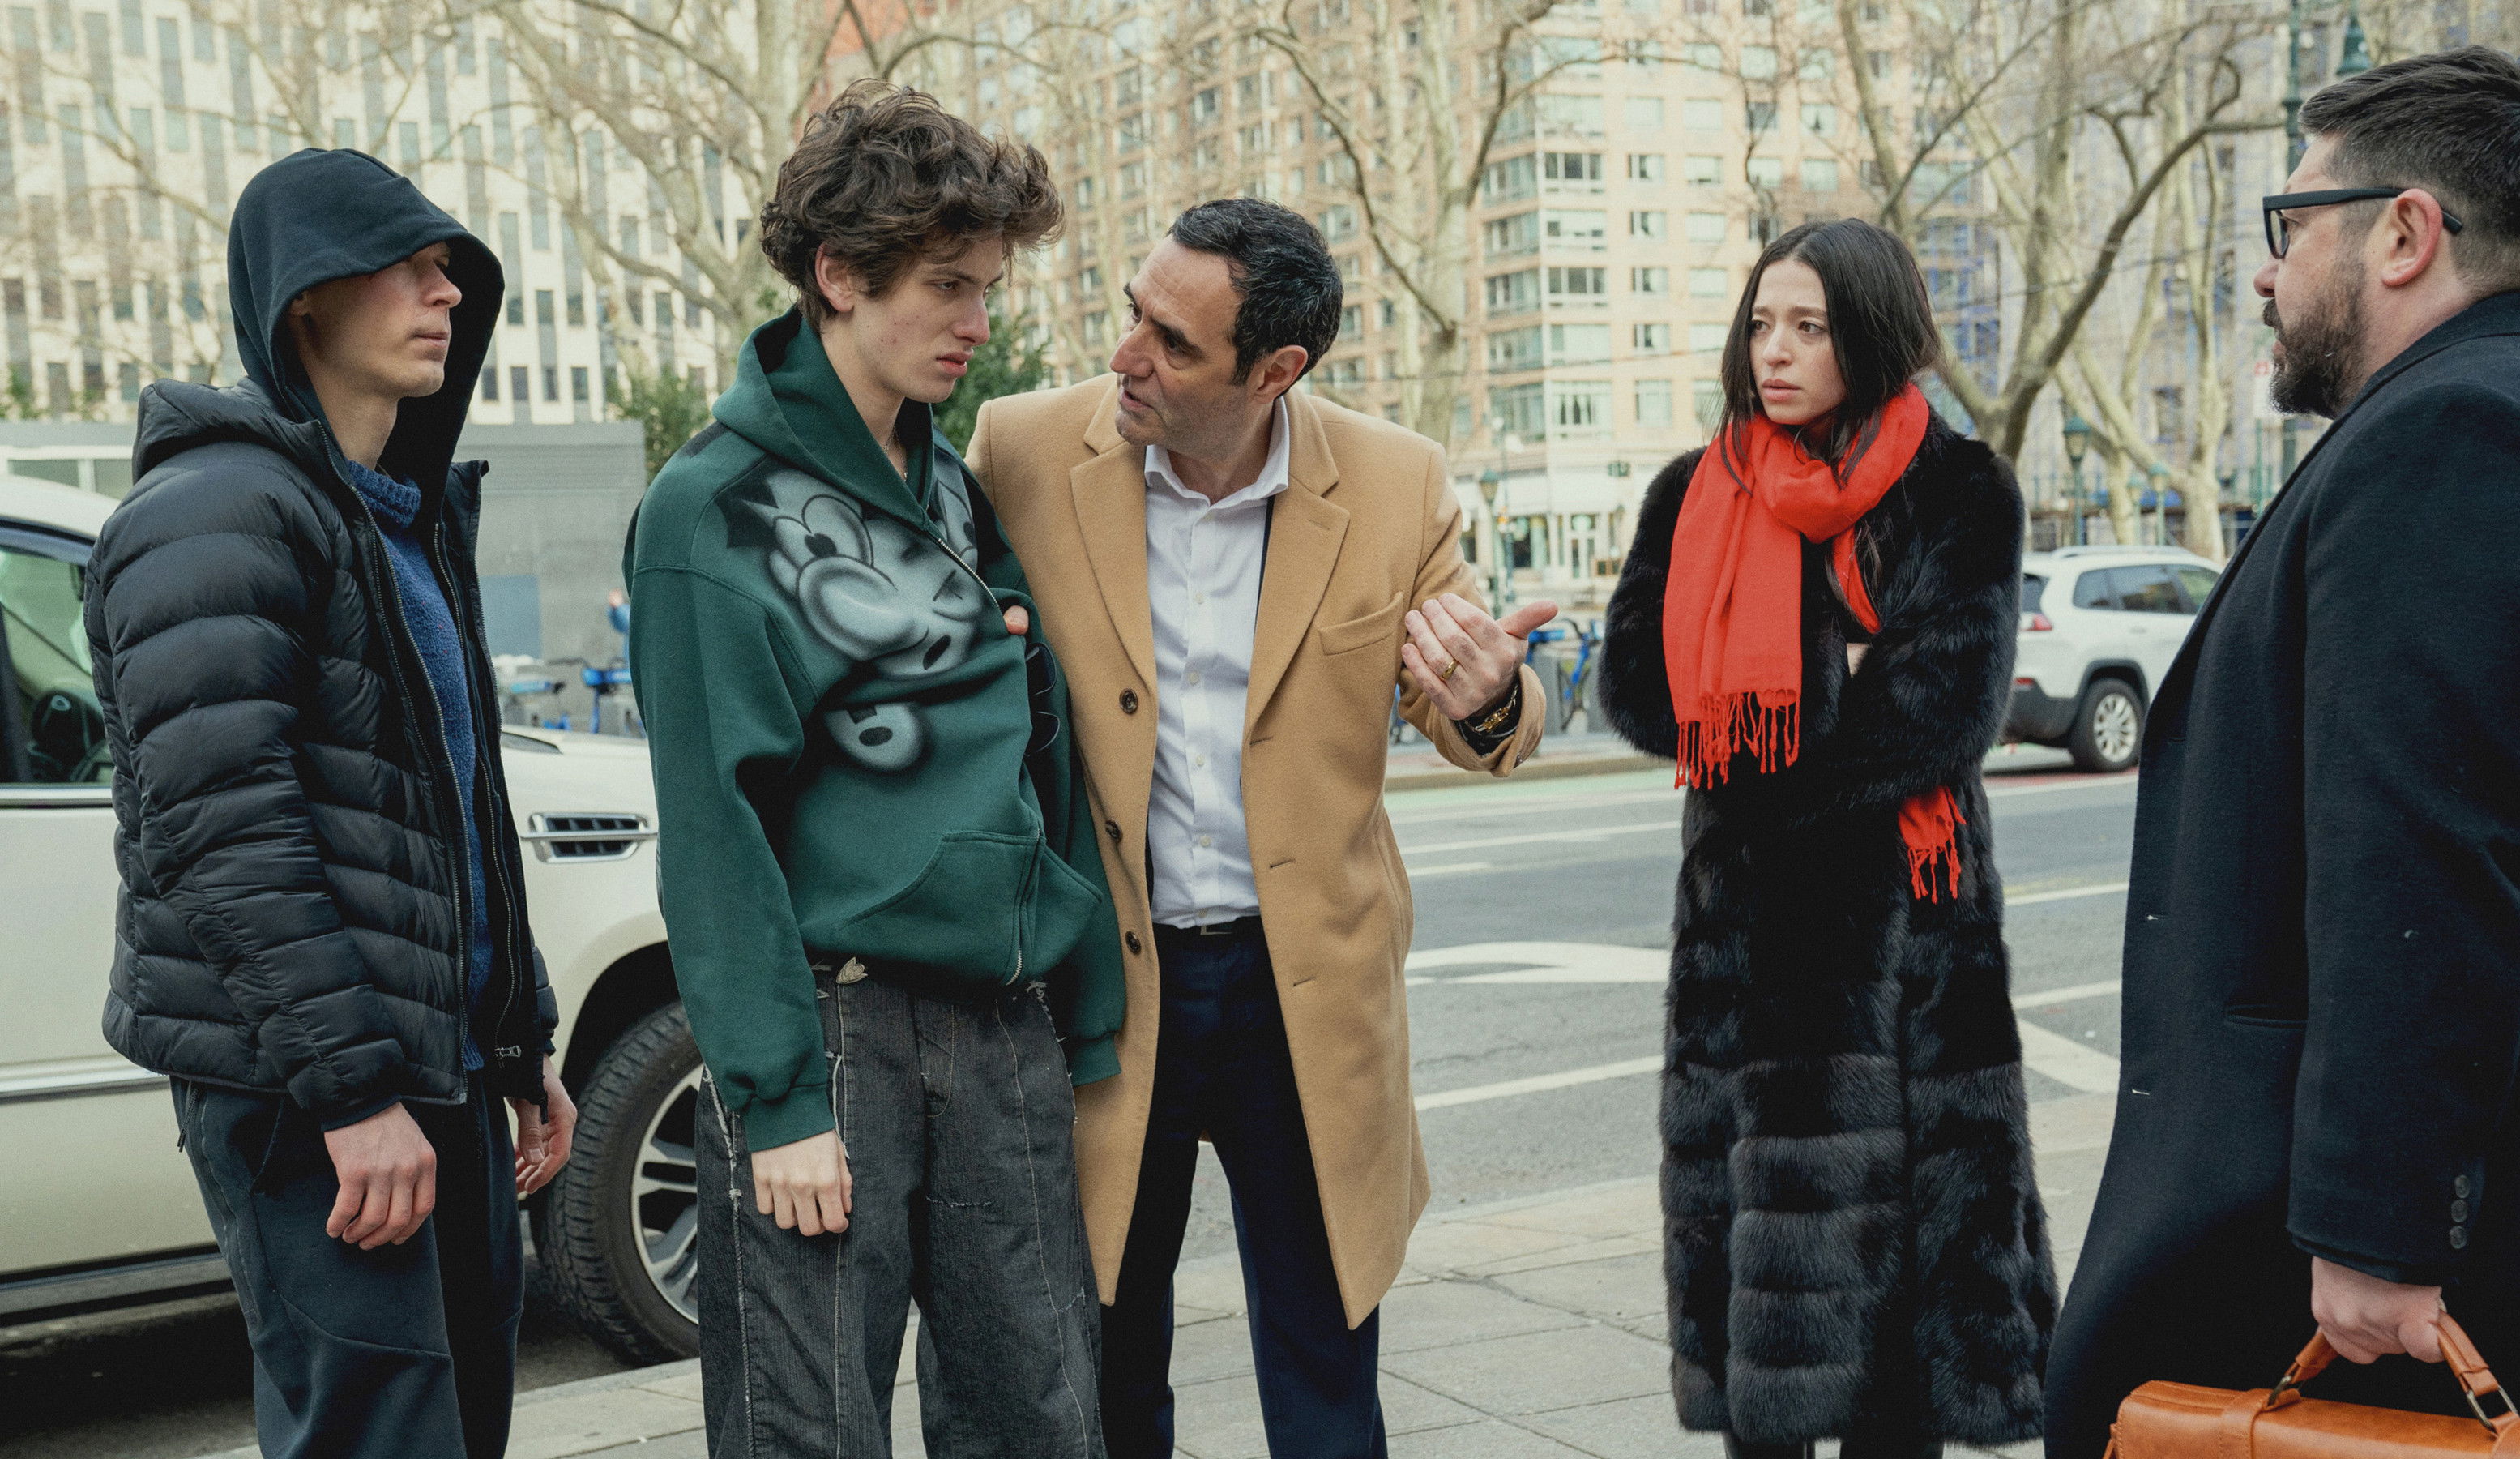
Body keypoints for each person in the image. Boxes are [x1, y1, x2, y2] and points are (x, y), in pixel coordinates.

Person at [2044, 49, 2520, 1451]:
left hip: (2398, 1267)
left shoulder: (2452, 435)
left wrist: (2379, 1228)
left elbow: (2430, 858)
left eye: (2291, 226)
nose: (2265, 273)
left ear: (2404, 234)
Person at [967, 198, 1549, 1458]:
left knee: (1326, 1372)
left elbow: (1478, 710)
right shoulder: (1018, 451)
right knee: (1108, 1361)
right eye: (1134, 312)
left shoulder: (1395, 481)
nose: (1127, 354)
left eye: (1172, 343)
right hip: (1106, 993)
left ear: (1274, 371)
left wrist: (1490, 695)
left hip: (1306, 994)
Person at [622, 81, 1121, 1457]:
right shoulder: (709, 511)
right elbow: (712, 830)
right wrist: (778, 1098)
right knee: (811, 1433)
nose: (979, 323)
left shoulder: (947, 479)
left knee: (1041, 1424)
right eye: (948, 288)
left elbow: (1035, 745)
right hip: (834, 1036)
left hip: (1001, 1027)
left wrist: (1081, 998)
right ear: (839, 275)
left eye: (988, 288)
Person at [83, 148, 575, 1459]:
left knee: (462, 1428)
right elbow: (220, 836)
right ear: (306, 298)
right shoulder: (212, 513)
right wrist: (353, 1098)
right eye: (410, 268)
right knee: (377, 1435)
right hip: (310, 1087)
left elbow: (445, 812)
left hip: (441, 1064)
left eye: (454, 271)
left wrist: (519, 1036)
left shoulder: (404, 519)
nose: (447, 295)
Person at [1597, 218, 2059, 1459]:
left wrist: (1765, 710)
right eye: (1761, 324)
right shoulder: (1695, 491)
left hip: (1905, 949)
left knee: (1899, 1336)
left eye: (1809, 327)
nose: (1776, 352)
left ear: (1872, 333)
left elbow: (1944, 709)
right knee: (1764, 1331)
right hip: (1742, 956)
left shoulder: (1959, 490)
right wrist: (1838, 669)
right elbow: (1638, 686)